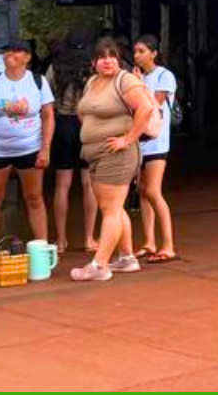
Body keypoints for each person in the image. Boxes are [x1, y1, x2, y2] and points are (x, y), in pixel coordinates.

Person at [0, 39, 53, 271]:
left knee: (34, 198)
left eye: (16, 51)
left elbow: (47, 116)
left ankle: (42, 250)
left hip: (29, 148)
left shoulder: (37, 81)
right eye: (7, 51)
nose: (10, 55)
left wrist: (45, 148)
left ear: (27, 57)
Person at [71, 36, 153, 282]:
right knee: (113, 209)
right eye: (102, 57)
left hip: (117, 153)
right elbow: (84, 111)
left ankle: (100, 264)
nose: (108, 61)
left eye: (113, 56)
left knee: (110, 210)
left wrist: (127, 138)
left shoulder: (125, 80)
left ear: (119, 60)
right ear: (94, 62)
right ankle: (126, 258)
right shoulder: (92, 82)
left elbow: (146, 108)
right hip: (95, 153)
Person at [133, 35, 180, 262]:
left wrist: (139, 85)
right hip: (139, 140)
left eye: (142, 51)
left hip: (157, 141)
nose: (137, 55)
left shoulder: (164, 76)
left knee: (153, 190)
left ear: (154, 53)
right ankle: (149, 241)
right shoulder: (137, 77)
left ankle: (168, 244)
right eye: (135, 51)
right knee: (142, 191)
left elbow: (154, 105)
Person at [47, 45, 96, 256]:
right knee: (89, 183)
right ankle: (89, 238)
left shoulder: (54, 69)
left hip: (61, 125)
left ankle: (60, 240)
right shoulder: (90, 71)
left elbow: (46, 99)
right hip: (85, 125)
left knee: (62, 185)